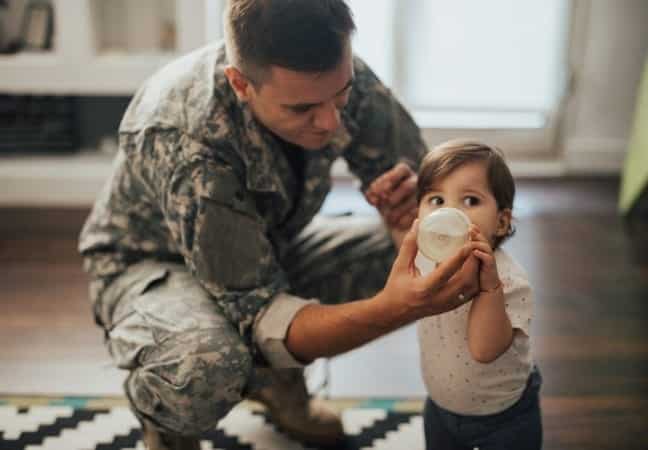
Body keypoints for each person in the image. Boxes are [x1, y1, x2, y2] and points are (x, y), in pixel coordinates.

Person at [78, 1, 481, 448]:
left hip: (267, 244)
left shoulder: (331, 75)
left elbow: (430, 188)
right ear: (240, 84)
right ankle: (169, 422)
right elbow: (263, 316)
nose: (330, 121)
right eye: (302, 109)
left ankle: (275, 384)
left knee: (452, 244)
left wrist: (415, 215)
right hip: (151, 267)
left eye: (341, 96)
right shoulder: (187, 141)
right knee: (205, 365)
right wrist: (398, 306)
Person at [411, 139, 543, 450]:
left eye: (470, 200)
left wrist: (489, 288)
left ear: (501, 221)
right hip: (441, 405)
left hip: (503, 415)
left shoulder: (509, 282)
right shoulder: (425, 260)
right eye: (436, 200)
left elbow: (484, 349)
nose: (450, 213)